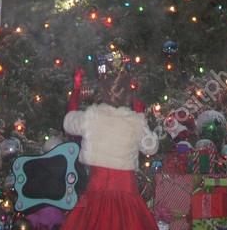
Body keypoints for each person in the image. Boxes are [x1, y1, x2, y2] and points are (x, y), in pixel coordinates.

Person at [61, 67, 158, 230]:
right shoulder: (135, 121)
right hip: (127, 195)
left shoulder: (91, 116)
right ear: (127, 96)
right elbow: (151, 148)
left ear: (102, 93)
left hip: (95, 193)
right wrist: (141, 116)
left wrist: (77, 89)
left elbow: (68, 121)